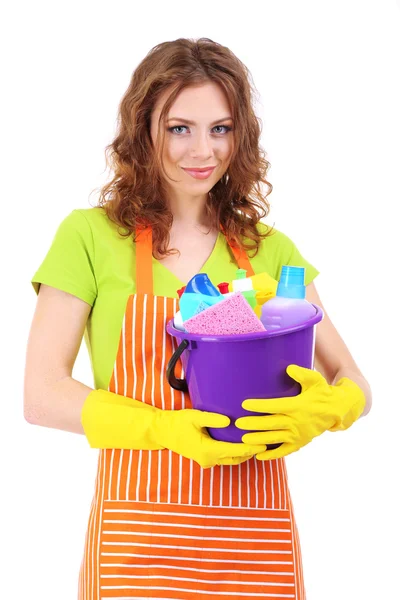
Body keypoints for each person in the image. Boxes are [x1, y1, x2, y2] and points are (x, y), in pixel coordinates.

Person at [24, 37, 372, 599]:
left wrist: (333, 410)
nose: (202, 150)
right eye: (179, 128)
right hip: (137, 544)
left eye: (221, 128)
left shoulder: (270, 249)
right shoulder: (88, 237)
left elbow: (353, 381)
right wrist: (165, 430)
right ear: (144, 131)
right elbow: (41, 395)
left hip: (253, 545)